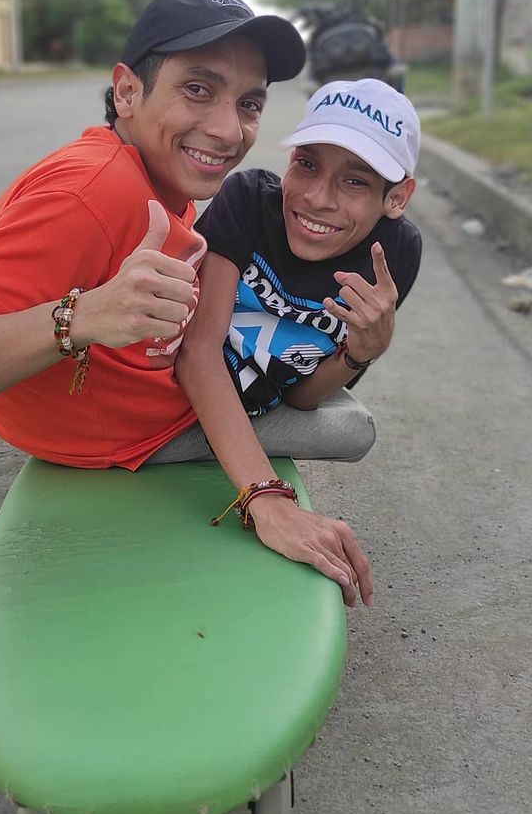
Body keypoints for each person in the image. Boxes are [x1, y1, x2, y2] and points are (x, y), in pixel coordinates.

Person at [0, 0, 373, 604]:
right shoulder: (94, 191)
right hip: (126, 431)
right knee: (351, 426)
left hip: (85, 388)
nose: (228, 129)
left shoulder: (153, 170)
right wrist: (85, 317)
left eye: (249, 103)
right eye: (198, 88)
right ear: (127, 91)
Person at [175, 79, 422, 602]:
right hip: (172, 392)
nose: (316, 197)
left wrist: (362, 351)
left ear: (397, 197)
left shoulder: (395, 252)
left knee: (355, 432)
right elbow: (197, 352)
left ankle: (210, 448)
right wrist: (267, 497)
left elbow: (302, 395)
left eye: (355, 182)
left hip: (257, 407)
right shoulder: (249, 201)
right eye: (307, 164)